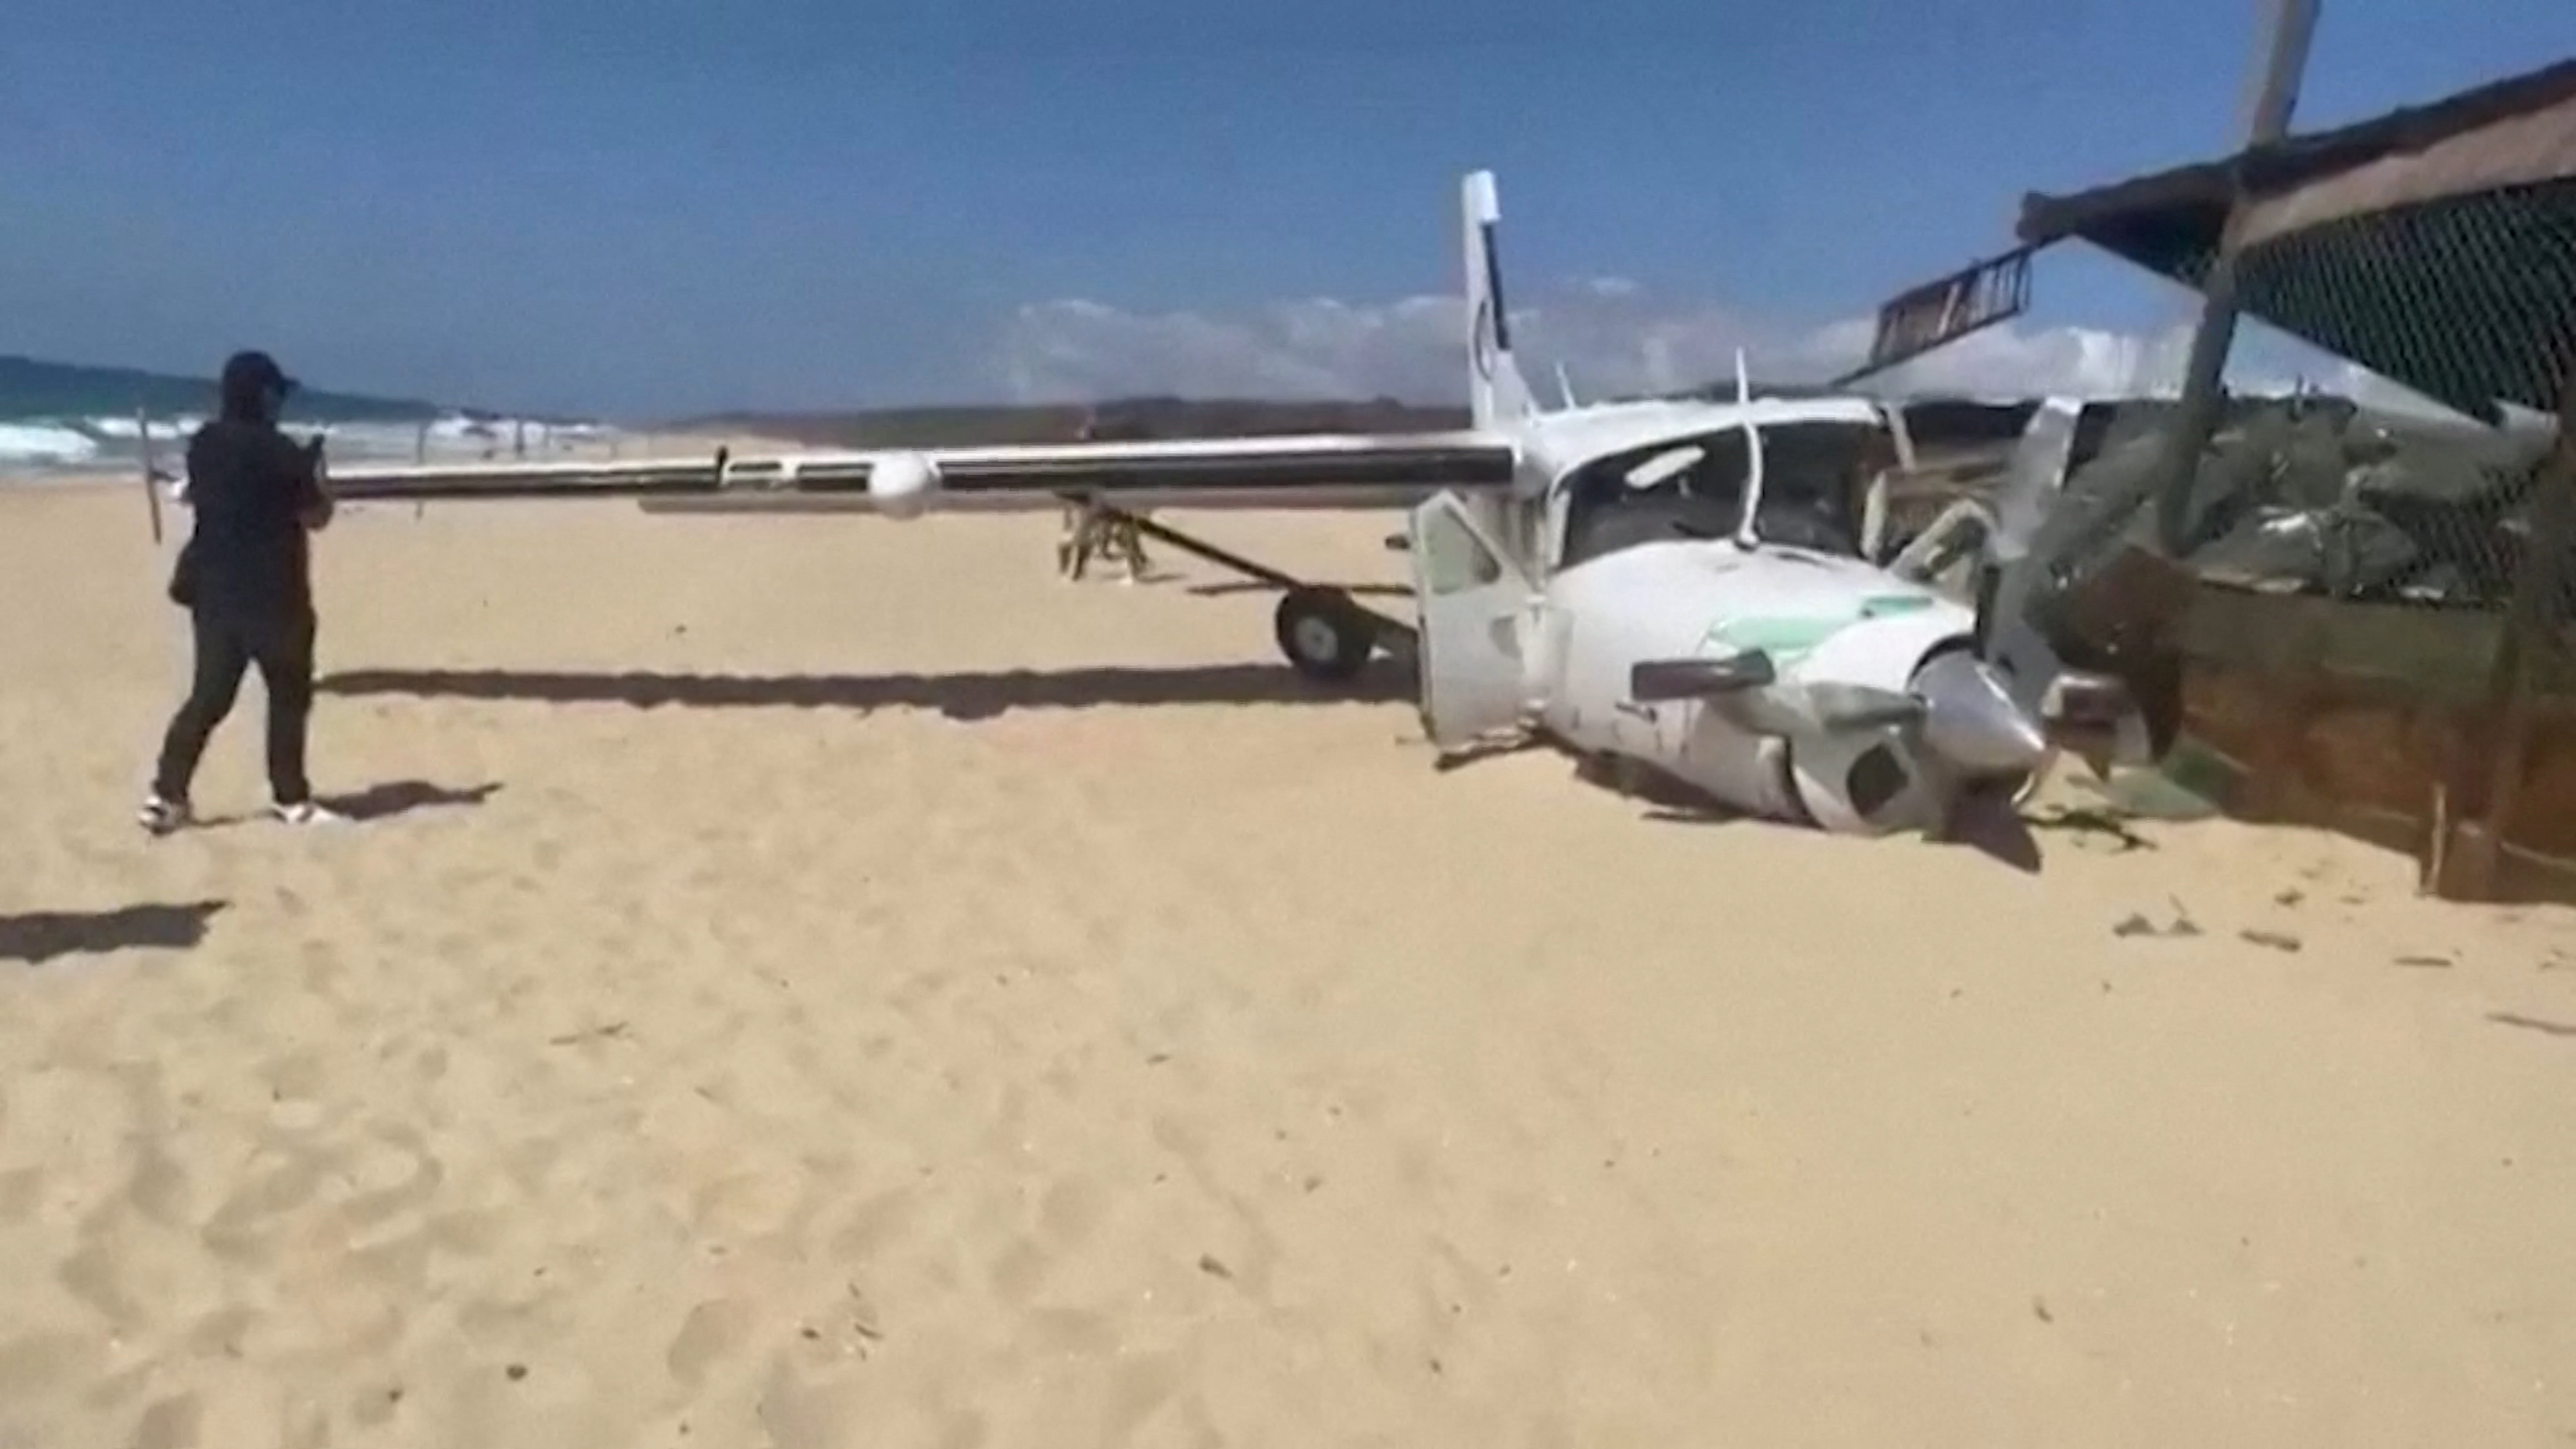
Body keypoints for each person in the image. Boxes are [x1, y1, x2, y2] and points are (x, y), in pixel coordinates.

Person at [138, 350, 344, 833]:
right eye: (277, 394)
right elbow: (318, 517)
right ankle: (291, 798)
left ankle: (166, 794)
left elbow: (203, 491)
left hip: (214, 592)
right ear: (264, 395)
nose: (280, 404)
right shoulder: (283, 454)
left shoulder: (204, 445)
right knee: (289, 695)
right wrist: (319, 480)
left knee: (208, 697)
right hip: (276, 592)